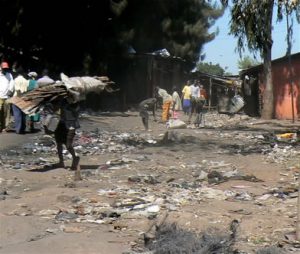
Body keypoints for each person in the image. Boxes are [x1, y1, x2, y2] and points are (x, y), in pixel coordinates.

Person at [53, 99, 80, 170]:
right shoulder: (63, 101)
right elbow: (56, 109)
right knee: (58, 142)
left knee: (68, 145)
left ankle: (75, 158)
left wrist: (67, 106)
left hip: (71, 126)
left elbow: (75, 113)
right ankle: (61, 162)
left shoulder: (75, 104)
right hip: (62, 124)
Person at [12, 68, 28, 134]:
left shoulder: (16, 80)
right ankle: (23, 128)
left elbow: (16, 89)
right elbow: (26, 90)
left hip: (16, 97)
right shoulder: (25, 80)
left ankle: (18, 129)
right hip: (24, 98)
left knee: (17, 114)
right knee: (23, 114)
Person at [0, 61, 15, 133]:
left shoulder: (9, 75)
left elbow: (12, 83)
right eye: (4, 69)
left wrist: (10, 90)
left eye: (6, 69)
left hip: (6, 96)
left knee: (6, 112)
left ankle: (5, 127)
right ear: (1, 68)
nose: (5, 70)